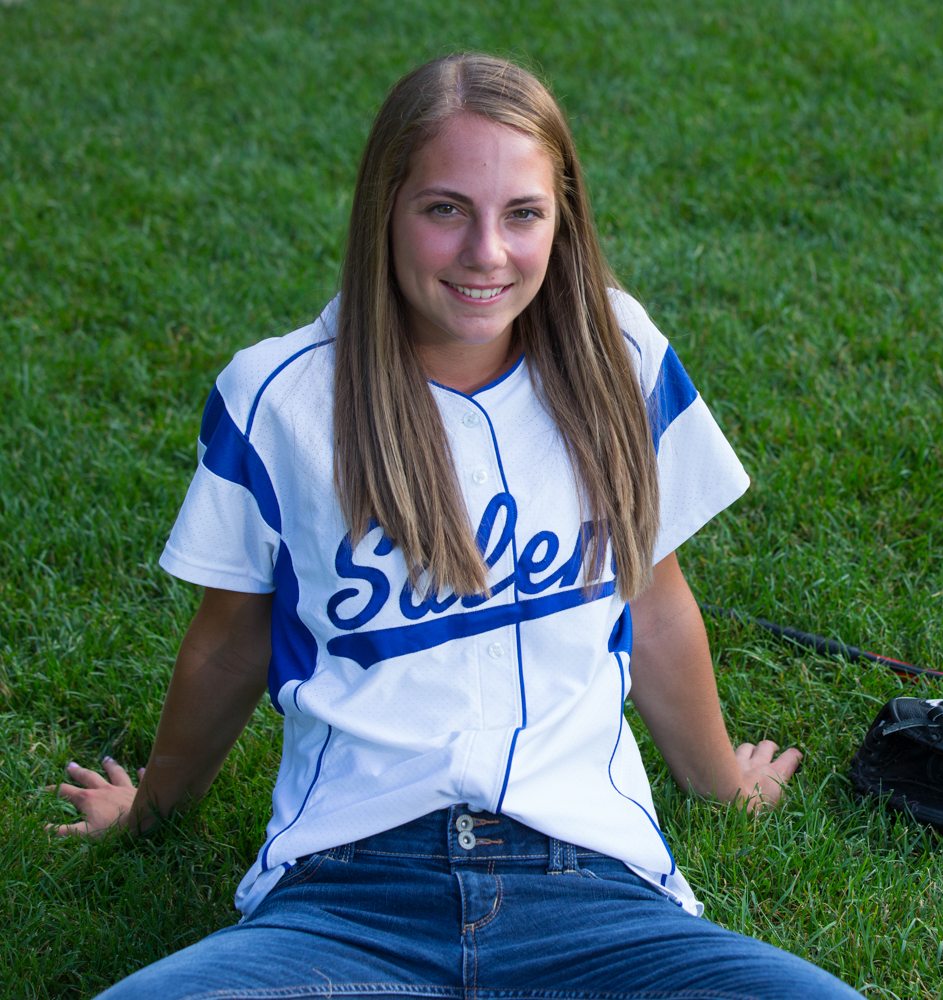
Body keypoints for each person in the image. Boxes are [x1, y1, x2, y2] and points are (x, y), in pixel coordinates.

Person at [49, 52, 862, 999]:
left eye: (523, 213)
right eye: (445, 209)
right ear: (383, 211)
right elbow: (229, 643)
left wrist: (722, 780)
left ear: (563, 218)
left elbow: (655, 595)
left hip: (594, 895)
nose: (488, 252)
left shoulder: (619, 357)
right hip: (344, 903)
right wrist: (150, 807)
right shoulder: (280, 397)